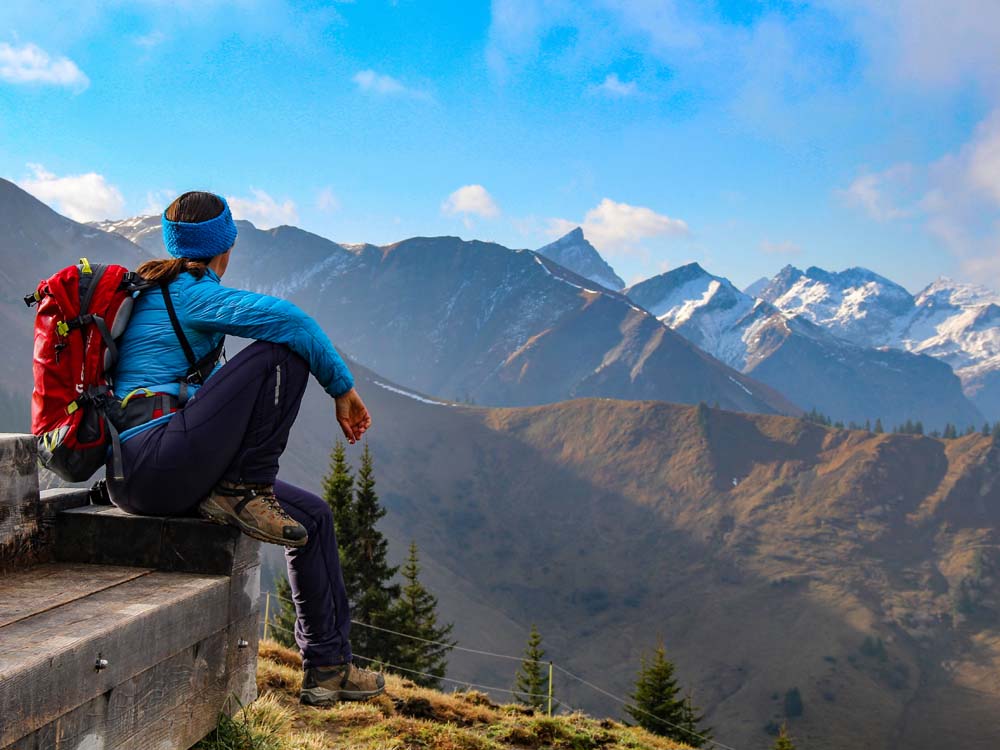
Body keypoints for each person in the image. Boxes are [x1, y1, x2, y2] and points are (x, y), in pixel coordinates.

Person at [107, 190, 384, 705]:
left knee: (315, 519)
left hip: (144, 470)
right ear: (225, 245)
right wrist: (343, 389)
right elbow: (294, 322)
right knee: (284, 346)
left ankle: (328, 668)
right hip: (159, 458)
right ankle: (243, 488)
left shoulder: (156, 289)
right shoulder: (190, 295)